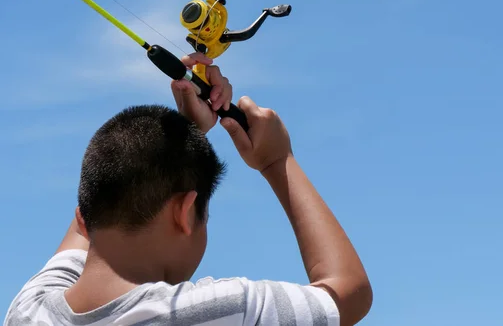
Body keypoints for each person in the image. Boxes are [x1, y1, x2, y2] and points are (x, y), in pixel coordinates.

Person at [3, 52, 372, 326]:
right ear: (185, 212)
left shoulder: (29, 310)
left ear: (83, 221)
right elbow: (348, 293)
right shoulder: (216, 311)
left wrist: (182, 138)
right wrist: (278, 162)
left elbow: (95, 205)